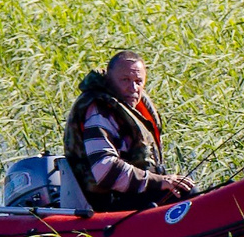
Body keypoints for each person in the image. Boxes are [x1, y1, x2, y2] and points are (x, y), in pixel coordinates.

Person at [62, 50, 198, 212]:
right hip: (108, 204)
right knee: (185, 194)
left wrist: (162, 181)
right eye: (125, 80)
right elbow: (104, 170)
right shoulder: (99, 111)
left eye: (138, 81)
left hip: (134, 193)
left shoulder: (126, 107)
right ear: (110, 81)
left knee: (188, 191)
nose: (133, 87)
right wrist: (159, 181)